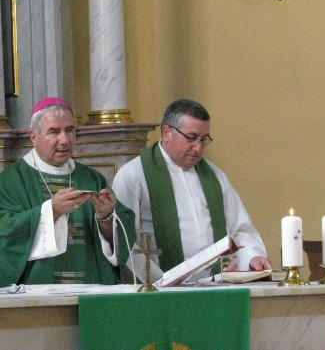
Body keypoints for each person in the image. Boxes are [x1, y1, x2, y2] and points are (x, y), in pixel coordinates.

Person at [0, 97, 136, 288]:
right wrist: (51, 210)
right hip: (35, 292)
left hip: (89, 288)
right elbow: (0, 233)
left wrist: (106, 217)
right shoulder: (11, 181)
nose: (64, 140)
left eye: (69, 130)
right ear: (33, 136)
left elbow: (123, 231)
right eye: (54, 132)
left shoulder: (91, 178)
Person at [111, 98, 271, 282]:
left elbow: (240, 229)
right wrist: (161, 282)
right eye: (191, 138)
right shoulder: (133, 176)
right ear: (166, 132)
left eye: (204, 139)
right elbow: (124, 241)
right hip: (159, 287)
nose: (198, 147)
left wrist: (252, 257)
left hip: (213, 285)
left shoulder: (215, 177)